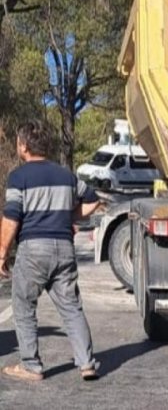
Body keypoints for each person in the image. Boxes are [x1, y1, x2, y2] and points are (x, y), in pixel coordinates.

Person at [0, 120, 100, 382]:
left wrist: (2, 253)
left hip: (33, 249)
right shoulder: (65, 175)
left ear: (23, 146)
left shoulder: (18, 177)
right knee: (71, 307)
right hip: (64, 248)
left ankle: (31, 366)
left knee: (23, 306)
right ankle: (87, 363)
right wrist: (69, 218)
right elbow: (93, 200)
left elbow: (11, 217)